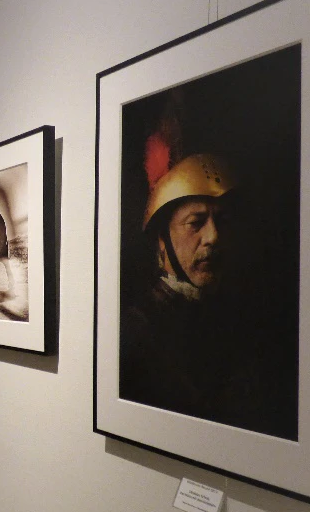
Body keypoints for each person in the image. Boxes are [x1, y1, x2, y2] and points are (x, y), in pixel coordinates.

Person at [119, 153, 292, 437]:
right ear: (162, 240)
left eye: (221, 221)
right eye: (195, 223)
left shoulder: (243, 319)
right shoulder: (139, 329)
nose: (213, 237)